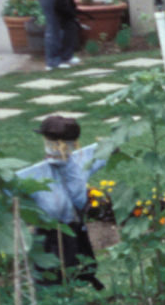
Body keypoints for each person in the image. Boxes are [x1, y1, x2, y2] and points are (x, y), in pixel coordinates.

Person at [15, 115, 110, 290]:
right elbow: (7, 184)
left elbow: (102, 151)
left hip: (73, 229)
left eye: (58, 143)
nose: (54, 147)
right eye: (50, 142)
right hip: (49, 233)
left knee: (76, 268)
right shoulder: (36, 174)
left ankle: (70, 294)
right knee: (50, 276)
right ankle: (57, 295)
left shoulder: (79, 162)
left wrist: (110, 145)